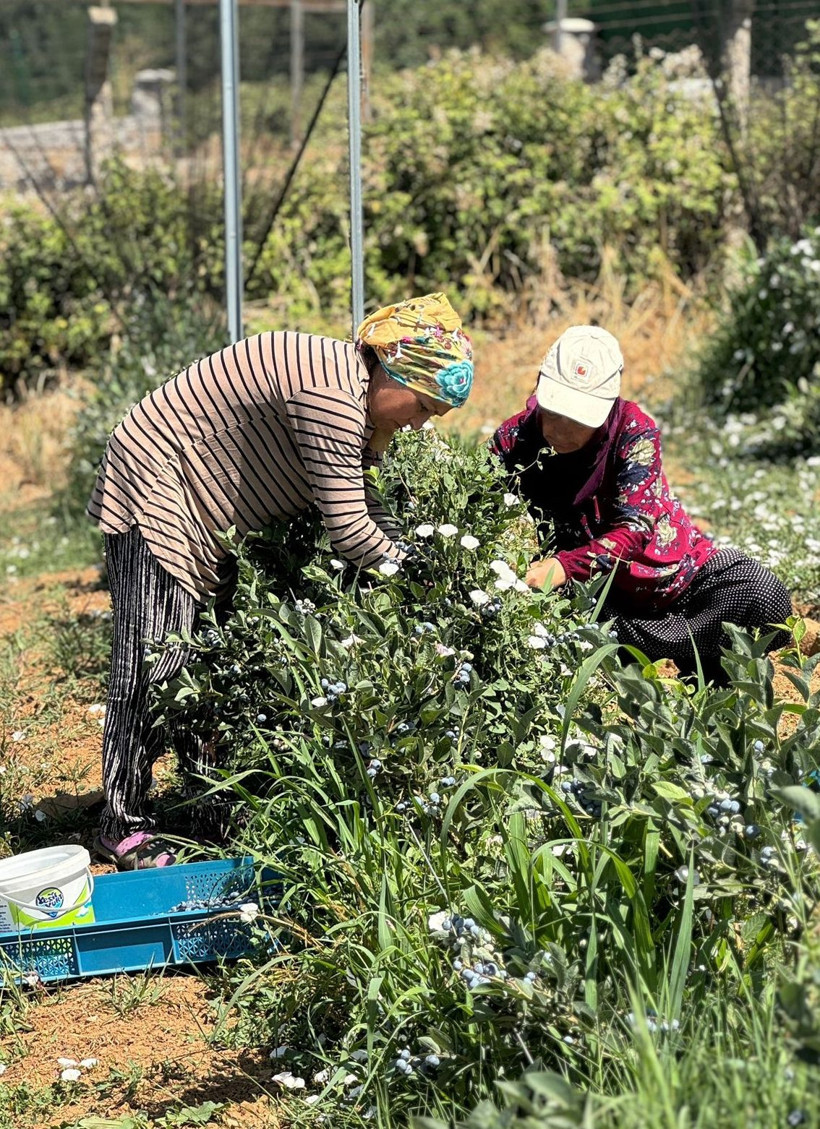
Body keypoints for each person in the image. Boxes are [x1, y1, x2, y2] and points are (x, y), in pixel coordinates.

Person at [87, 293, 474, 869]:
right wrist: (426, 579)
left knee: (203, 657)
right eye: (421, 405)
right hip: (156, 479)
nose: (419, 423)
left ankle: (205, 800)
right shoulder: (333, 398)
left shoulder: (357, 396)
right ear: (394, 369)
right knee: (154, 658)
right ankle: (123, 823)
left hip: (207, 506)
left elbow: (362, 502)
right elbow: (349, 531)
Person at [490, 324, 792, 686]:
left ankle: (695, 653)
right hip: (598, 600)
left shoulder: (633, 430)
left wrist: (561, 566)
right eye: (554, 412)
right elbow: (479, 502)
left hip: (671, 579)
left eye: (578, 419)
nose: (561, 429)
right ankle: (679, 652)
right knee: (572, 627)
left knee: (762, 593)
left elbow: (633, 531)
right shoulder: (515, 439)